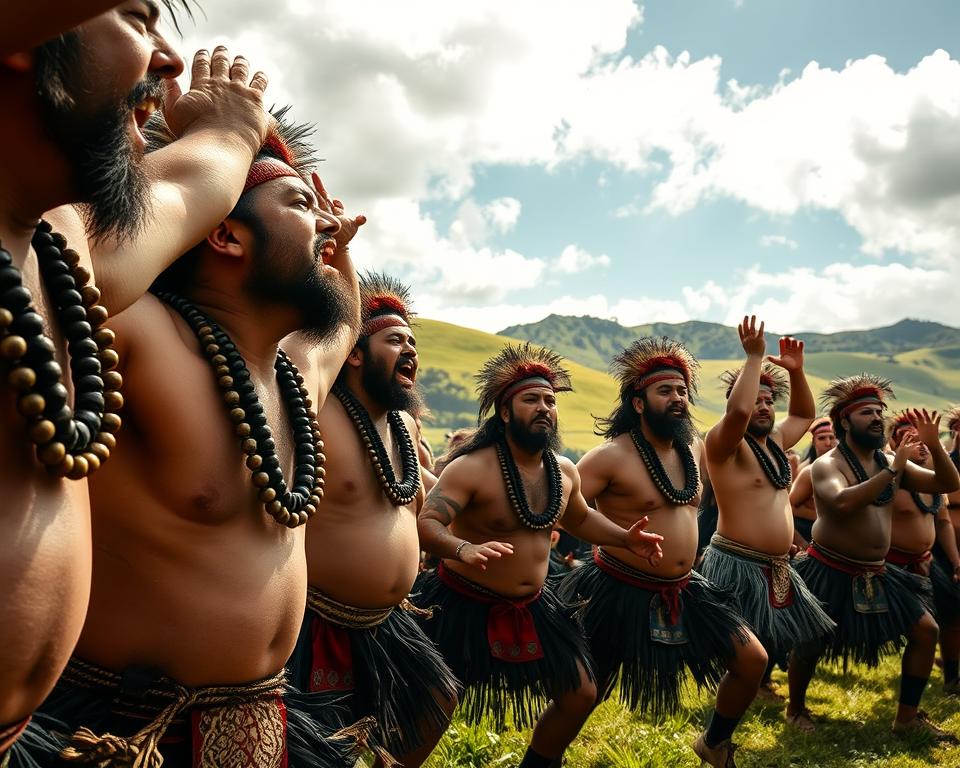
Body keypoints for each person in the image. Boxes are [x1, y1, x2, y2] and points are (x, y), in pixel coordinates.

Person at [36, 114, 364, 766]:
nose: (325, 222)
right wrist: (202, 146)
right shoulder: (138, 333)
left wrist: (339, 249)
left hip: (261, 720)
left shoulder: (297, 374)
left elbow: (346, 321)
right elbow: (61, 248)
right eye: (300, 204)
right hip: (123, 731)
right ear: (224, 232)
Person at [1, 7, 269, 761]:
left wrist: (233, 130)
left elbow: (186, 188)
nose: (170, 58)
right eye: (135, 15)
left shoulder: (62, 251)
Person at [416, 343, 664, 768]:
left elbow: (580, 519)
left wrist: (626, 538)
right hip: (460, 601)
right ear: (506, 412)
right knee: (438, 699)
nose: (544, 407)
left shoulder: (564, 469)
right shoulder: (472, 467)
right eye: (531, 399)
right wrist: (463, 548)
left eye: (550, 400)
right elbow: (426, 523)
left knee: (580, 691)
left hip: (534, 606)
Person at [561, 336, 768, 768]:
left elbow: (739, 414)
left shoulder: (695, 449)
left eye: (681, 391)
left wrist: (754, 358)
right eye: (665, 391)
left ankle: (714, 742)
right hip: (616, 587)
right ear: (638, 402)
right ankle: (543, 759)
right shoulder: (610, 457)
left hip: (685, 587)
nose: (677, 399)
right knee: (586, 691)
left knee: (752, 660)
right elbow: (563, 505)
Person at [289, 273, 458, 767]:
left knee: (436, 702)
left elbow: (417, 496)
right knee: (321, 745)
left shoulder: (406, 424)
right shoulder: (317, 412)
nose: (410, 350)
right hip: (315, 620)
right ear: (355, 352)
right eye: (395, 340)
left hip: (386, 622)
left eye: (413, 342)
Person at [786, 376, 960, 737]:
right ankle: (796, 707)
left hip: (878, 571)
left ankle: (907, 718)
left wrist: (934, 446)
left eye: (881, 411)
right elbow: (842, 502)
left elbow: (947, 483)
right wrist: (894, 470)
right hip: (828, 567)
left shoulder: (889, 461)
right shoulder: (827, 464)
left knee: (926, 630)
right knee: (811, 640)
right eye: (868, 412)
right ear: (845, 421)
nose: (878, 417)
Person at [699, 317, 833, 701]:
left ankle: (782, 698)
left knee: (807, 634)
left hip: (775, 565)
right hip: (736, 562)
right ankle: (737, 703)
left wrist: (798, 372)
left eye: (767, 401)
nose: (761, 407)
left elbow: (805, 416)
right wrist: (755, 357)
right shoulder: (724, 444)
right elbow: (737, 415)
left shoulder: (774, 442)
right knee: (746, 646)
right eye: (753, 399)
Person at [885, 413, 960, 695]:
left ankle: (952, 678)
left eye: (922, 439)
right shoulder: (886, 470)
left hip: (927, 562)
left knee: (952, 614)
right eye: (909, 437)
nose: (919, 444)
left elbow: (941, 521)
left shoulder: (933, 475)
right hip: (887, 566)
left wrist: (955, 561)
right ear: (894, 442)